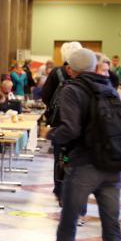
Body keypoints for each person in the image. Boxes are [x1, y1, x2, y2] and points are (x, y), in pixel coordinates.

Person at [37, 48, 121, 241]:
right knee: (113, 232)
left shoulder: (71, 90)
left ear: (69, 70)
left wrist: (49, 133)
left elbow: (71, 129)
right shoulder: (110, 87)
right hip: (111, 167)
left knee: (68, 222)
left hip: (84, 166)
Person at [41, 41, 82, 203]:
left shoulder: (56, 72)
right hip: (79, 122)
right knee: (74, 157)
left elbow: (45, 95)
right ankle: (73, 190)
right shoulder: (84, 74)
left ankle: (59, 189)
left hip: (59, 122)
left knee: (60, 157)